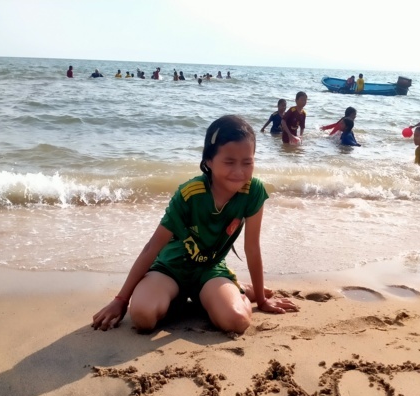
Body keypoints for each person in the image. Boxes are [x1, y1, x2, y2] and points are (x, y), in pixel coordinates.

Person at [91, 115, 298, 334]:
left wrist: (262, 301)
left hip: (209, 271)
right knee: (143, 317)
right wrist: (121, 300)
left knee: (236, 321)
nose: (239, 171)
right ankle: (185, 297)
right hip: (170, 269)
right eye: (229, 162)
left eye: (247, 162)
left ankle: (238, 291)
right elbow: (153, 246)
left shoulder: (253, 191)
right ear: (209, 161)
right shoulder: (190, 194)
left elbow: (252, 247)